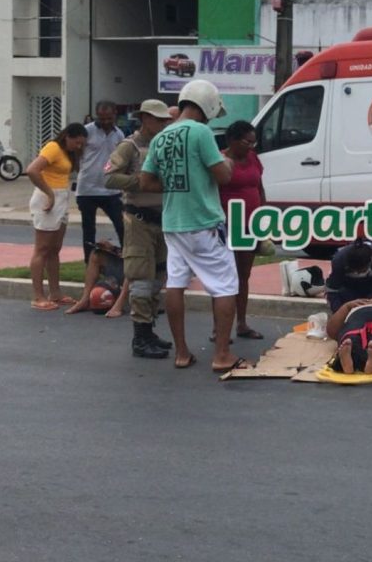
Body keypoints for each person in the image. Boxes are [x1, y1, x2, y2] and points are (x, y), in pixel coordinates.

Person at [140, 79, 250, 373]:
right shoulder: (201, 132)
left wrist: (177, 184)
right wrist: (226, 162)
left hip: (173, 222)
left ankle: (182, 353)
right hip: (203, 222)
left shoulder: (162, 136)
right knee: (225, 285)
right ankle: (222, 354)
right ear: (209, 105)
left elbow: (146, 181)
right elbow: (222, 176)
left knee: (176, 284)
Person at [104, 99, 174, 359]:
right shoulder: (129, 147)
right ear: (145, 118)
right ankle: (140, 337)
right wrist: (141, 182)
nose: (163, 123)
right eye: (159, 119)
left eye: (166, 120)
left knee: (157, 277)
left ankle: (149, 330)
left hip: (162, 219)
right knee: (142, 279)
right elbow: (109, 177)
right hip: (139, 220)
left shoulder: (164, 145)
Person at [211, 120, 266, 342]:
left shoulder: (253, 158)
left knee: (244, 276)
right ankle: (218, 328)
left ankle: (241, 323)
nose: (252, 146)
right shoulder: (221, 160)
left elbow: (259, 187)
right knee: (224, 277)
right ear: (233, 141)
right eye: (247, 142)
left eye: (254, 142)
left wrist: (263, 217)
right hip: (227, 224)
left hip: (250, 224)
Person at [26, 123, 88, 310]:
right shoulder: (53, 147)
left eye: (81, 144)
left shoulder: (67, 153)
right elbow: (32, 170)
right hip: (47, 199)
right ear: (67, 136)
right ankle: (38, 296)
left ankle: (55, 292)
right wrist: (49, 194)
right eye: (76, 142)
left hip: (61, 198)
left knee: (54, 249)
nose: (78, 147)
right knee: (42, 249)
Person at [76, 100, 125, 264]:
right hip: (87, 190)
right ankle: (89, 263)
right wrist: (82, 170)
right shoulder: (87, 131)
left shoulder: (119, 134)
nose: (105, 122)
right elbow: (76, 153)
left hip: (111, 190)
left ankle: (126, 259)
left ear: (114, 115)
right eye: (102, 118)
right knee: (88, 229)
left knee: (122, 225)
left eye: (109, 118)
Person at [325, 238, 372, 313]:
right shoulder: (338, 260)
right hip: (350, 290)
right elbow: (332, 291)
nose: (358, 273)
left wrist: (370, 302)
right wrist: (340, 312)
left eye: (361, 270)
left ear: (371, 259)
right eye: (354, 271)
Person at [65, 240, 129, 318]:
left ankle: (119, 304)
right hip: (124, 259)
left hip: (141, 268)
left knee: (133, 262)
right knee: (96, 255)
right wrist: (112, 248)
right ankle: (85, 299)